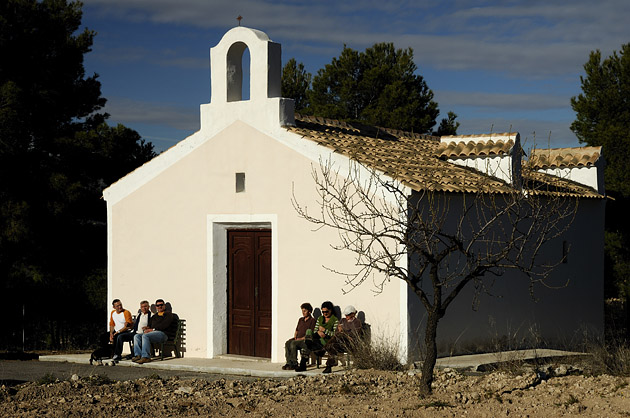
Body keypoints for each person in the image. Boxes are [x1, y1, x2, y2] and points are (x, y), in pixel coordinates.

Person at [298, 301, 338, 372]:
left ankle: (303, 364)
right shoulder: (320, 319)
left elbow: (335, 334)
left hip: (326, 341)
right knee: (309, 332)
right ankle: (304, 362)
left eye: (326, 312)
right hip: (317, 339)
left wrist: (325, 331)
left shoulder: (334, 320)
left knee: (308, 343)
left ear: (330, 310)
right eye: (323, 312)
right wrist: (318, 332)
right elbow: (315, 330)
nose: (324, 314)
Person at [322, 305, 363, 374]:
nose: (346, 316)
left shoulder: (357, 322)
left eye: (348, 315)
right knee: (333, 346)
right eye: (346, 315)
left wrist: (342, 332)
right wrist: (342, 331)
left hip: (350, 344)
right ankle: (328, 366)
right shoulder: (342, 320)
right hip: (341, 342)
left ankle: (323, 349)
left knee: (339, 335)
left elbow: (353, 335)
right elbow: (336, 332)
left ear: (353, 314)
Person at [132, 299, 176, 364]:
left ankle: (146, 357)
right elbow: (150, 325)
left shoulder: (168, 314)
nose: (159, 307)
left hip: (164, 334)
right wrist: (147, 328)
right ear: (156, 307)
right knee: (137, 336)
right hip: (155, 333)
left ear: (164, 306)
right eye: (158, 305)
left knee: (145, 336)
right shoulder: (155, 316)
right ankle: (138, 355)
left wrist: (152, 329)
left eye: (161, 305)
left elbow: (164, 326)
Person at [282, 303, 316, 371]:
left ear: (309, 311)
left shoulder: (312, 321)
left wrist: (300, 339)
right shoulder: (301, 319)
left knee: (293, 343)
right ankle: (289, 362)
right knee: (288, 343)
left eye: (305, 311)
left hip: (305, 340)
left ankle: (294, 363)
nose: (303, 313)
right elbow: (297, 330)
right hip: (298, 339)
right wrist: (295, 337)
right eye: (302, 311)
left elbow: (310, 334)